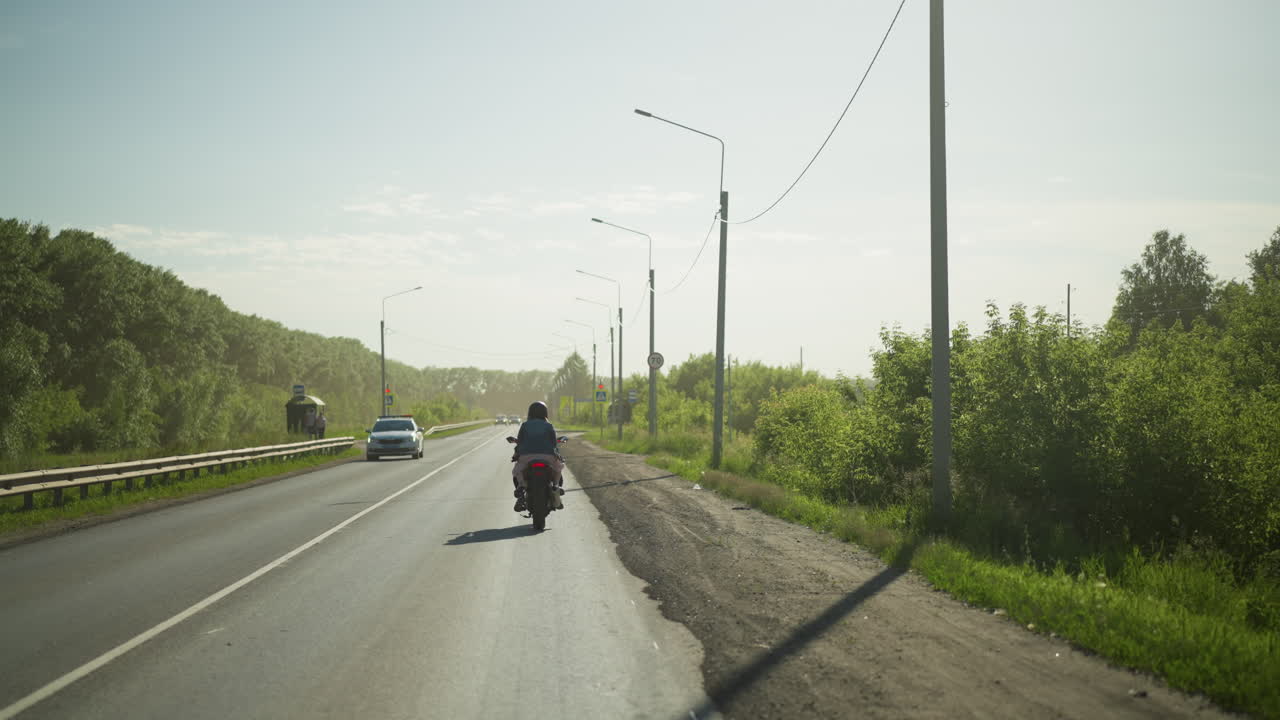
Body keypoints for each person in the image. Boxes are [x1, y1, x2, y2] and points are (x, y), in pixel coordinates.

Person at [511, 400, 565, 512]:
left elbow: (520, 442)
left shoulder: (525, 425)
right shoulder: (549, 425)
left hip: (527, 456)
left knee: (517, 470)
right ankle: (556, 487)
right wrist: (558, 455)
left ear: (530, 413)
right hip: (548, 457)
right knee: (558, 468)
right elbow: (554, 444)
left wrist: (516, 455)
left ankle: (521, 488)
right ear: (545, 412)